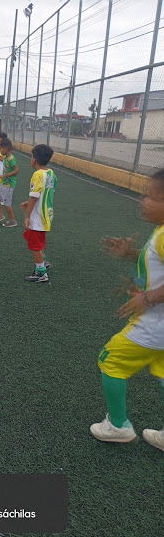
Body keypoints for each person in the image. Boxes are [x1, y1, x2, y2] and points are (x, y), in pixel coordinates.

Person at [90, 169, 164, 451]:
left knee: (111, 360)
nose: (144, 201)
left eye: (153, 197)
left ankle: (118, 426)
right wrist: (131, 254)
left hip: (154, 326)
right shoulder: (160, 232)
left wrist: (149, 298)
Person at [20, 144, 57, 283]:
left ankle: (41, 273)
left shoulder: (37, 174)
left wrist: (27, 215)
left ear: (34, 159)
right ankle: (43, 261)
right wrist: (28, 202)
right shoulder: (51, 173)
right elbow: (45, 193)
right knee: (32, 239)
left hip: (38, 216)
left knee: (35, 244)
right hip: (47, 214)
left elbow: (35, 196)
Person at [0, 138, 18, 228]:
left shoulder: (11, 159)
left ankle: (12, 220)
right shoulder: (6, 158)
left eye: (1, 149)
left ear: (6, 148)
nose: (0, 151)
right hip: (4, 183)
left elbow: (16, 170)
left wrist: (5, 175)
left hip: (9, 184)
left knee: (6, 202)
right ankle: (0, 215)